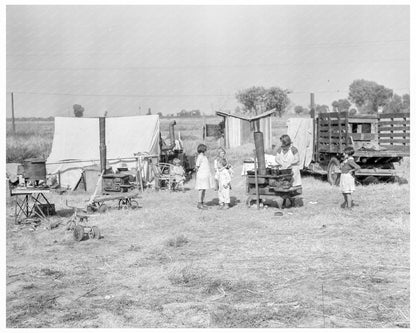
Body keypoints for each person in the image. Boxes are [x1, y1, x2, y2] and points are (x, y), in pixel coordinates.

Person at [195, 144, 212, 209]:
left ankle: (202, 202)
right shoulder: (200, 157)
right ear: (203, 149)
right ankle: (199, 203)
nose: (206, 150)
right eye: (205, 149)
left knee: (204, 189)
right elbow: (197, 166)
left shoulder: (204, 156)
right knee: (201, 189)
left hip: (205, 175)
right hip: (201, 176)